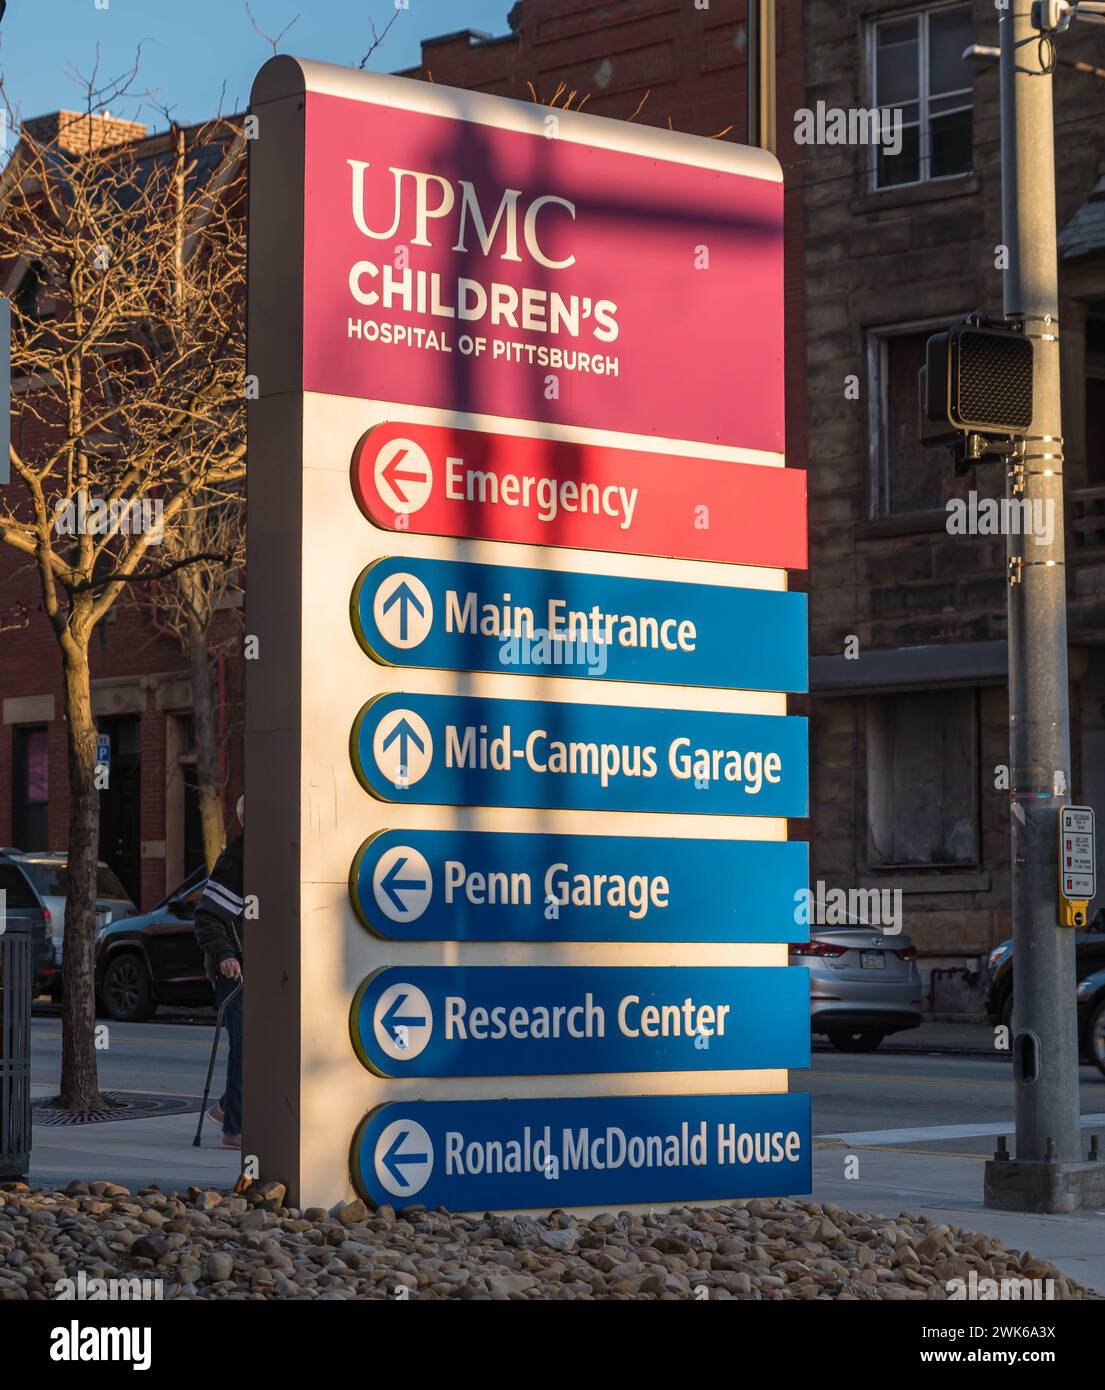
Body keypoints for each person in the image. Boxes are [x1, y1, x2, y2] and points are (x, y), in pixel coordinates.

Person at [193, 795, 245, 1149]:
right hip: (236, 972)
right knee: (245, 1045)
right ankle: (234, 1130)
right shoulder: (239, 856)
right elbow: (207, 916)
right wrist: (226, 954)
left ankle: (227, 1107)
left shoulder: (275, 851)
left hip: (268, 970)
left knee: (262, 1047)